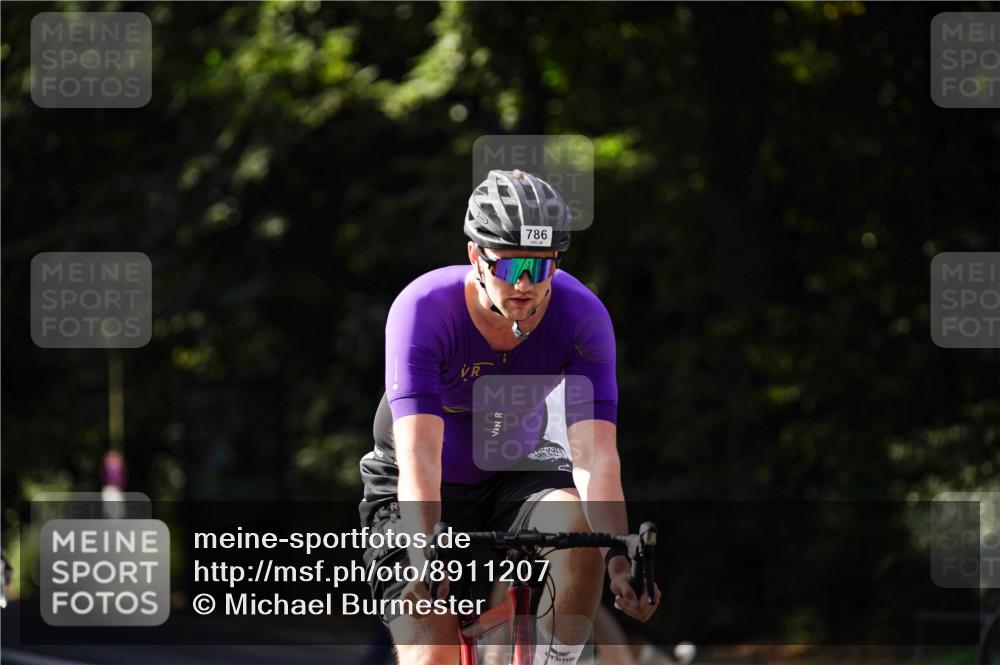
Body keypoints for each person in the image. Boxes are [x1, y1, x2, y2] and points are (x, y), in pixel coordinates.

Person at [358, 169, 660, 665]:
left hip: (516, 470)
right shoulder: (423, 308)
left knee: (580, 532)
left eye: (539, 268)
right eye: (509, 264)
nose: (523, 283)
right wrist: (422, 552)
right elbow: (419, 455)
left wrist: (620, 561)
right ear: (475, 256)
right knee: (431, 654)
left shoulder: (582, 317)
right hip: (418, 481)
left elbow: (594, 456)